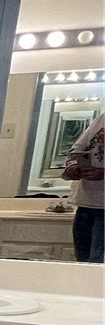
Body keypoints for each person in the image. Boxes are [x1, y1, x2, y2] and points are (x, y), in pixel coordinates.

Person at [63, 109, 105, 263]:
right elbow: (75, 150)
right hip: (86, 202)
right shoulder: (101, 120)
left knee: (96, 264)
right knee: (82, 262)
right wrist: (74, 167)